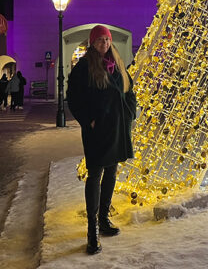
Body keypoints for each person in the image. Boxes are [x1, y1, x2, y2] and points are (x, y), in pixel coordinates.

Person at [66, 25, 137, 255]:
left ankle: (104, 219)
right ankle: (92, 229)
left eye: (106, 40)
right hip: (97, 131)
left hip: (117, 128)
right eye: (99, 41)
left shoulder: (116, 62)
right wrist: (89, 120)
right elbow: (73, 98)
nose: (104, 44)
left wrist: (130, 113)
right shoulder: (84, 67)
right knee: (95, 174)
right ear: (92, 43)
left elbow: (129, 90)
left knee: (112, 172)